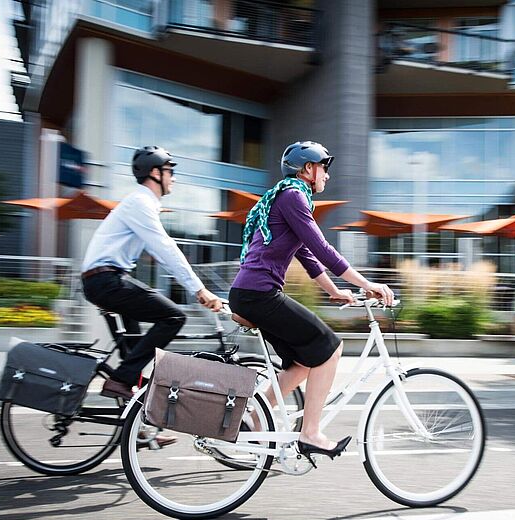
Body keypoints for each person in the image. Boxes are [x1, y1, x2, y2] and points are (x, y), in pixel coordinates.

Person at [228, 141, 395, 467]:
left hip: (252, 294)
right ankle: (311, 433)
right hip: (259, 295)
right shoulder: (294, 197)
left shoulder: (286, 197)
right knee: (329, 347)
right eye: (324, 168)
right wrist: (366, 284)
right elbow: (322, 249)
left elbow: (307, 256)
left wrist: (335, 291)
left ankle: (253, 418)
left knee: (304, 362)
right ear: (308, 169)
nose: (327, 176)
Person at [81, 145, 223, 402]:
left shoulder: (141, 204)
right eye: (170, 171)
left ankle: (139, 428)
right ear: (156, 173)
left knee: (134, 354)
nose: (173, 178)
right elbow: (165, 247)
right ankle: (121, 381)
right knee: (173, 317)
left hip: (104, 280)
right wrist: (199, 289)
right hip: (106, 281)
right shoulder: (140, 202)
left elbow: (157, 251)